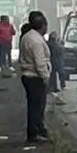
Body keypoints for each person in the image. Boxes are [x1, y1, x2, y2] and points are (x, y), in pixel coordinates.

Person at [18, 11, 51, 143]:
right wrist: (45, 77)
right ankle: (34, 133)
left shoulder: (27, 36)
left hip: (29, 76)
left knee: (34, 106)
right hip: (35, 77)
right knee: (36, 107)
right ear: (43, 26)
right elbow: (40, 62)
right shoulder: (36, 41)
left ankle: (37, 130)